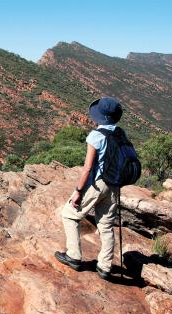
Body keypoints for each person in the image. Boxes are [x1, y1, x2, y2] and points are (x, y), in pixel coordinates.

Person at [54, 97, 123, 280]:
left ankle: (74, 256)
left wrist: (78, 191)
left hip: (97, 184)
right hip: (114, 186)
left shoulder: (96, 136)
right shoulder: (120, 134)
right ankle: (105, 267)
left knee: (69, 214)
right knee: (106, 226)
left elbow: (87, 169)